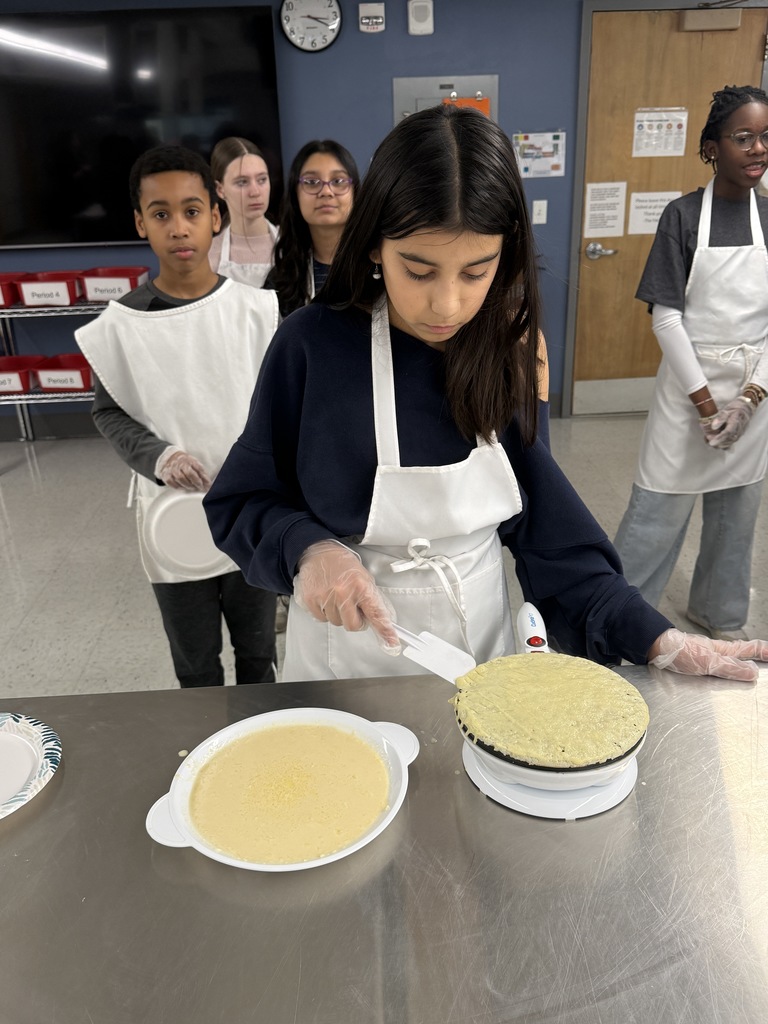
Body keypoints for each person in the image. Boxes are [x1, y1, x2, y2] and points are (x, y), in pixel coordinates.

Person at [204, 105, 768, 685]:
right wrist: (308, 549)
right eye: (419, 271)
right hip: (341, 657)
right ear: (374, 245)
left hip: (477, 651)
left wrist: (656, 638)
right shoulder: (311, 346)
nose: (447, 305)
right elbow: (242, 500)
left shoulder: (510, 349)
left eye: (475, 273)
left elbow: (550, 537)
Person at [76, 145, 280, 687]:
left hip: (248, 512)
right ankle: (206, 736)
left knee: (259, 652)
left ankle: (261, 732)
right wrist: (160, 456)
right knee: (195, 663)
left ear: (215, 216)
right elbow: (109, 413)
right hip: (171, 518)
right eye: (161, 214)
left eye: (191, 211)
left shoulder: (256, 312)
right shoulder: (119, 327)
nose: (179, 227)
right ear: (140, 223)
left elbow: (282, 407)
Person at [615, 85, 768, 642]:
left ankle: (719, 614)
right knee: (656, 514)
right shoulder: (681, 216)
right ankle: (621, 620)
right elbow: (666, 320)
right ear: (711, 148)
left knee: (737, 514)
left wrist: (748, 400)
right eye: (743, 137)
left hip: (754, 390)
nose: (758, 148)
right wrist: (707, 405)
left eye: (765, 137)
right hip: (688, 392)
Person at [264, 139, 359, 317]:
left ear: (356, 192)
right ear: (295, 194)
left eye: (338, 180)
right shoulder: (282, 279)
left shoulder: (378, 266)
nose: (326, 191)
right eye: (312, 182)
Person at [208, 136, 278, 287]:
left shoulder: (294, 246)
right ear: (220, 189)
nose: (255, 192)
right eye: (242, 182)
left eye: (262, 180)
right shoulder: (209, 255)